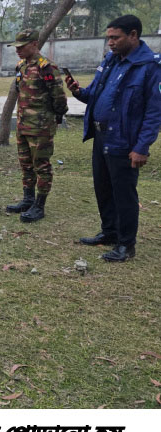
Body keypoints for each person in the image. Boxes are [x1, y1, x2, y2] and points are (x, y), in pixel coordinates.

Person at [66, 15, 161, 262]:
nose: (110, 42)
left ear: (133, 35)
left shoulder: (150, 67)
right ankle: (109, 232)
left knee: (124, 194)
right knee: (103, 188)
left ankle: (126, 245)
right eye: (108, 37)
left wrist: (142, 147)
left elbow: (154, 113)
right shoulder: (110, 61)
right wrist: (78, 91)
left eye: (115, 37)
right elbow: (93, 95)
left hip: (124, 141)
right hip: (101, 136)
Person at [5, 29, 68, 223]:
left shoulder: (46, 68)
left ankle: (39, 205)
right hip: (23, 124)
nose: (18, 50)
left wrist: (54, 116)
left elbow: (59, 97)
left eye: (21, 47)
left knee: (41, 165)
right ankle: (28, 199)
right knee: (25, 164)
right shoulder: (21, 66)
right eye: (16, 47)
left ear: (34, 44)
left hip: (40, 127)